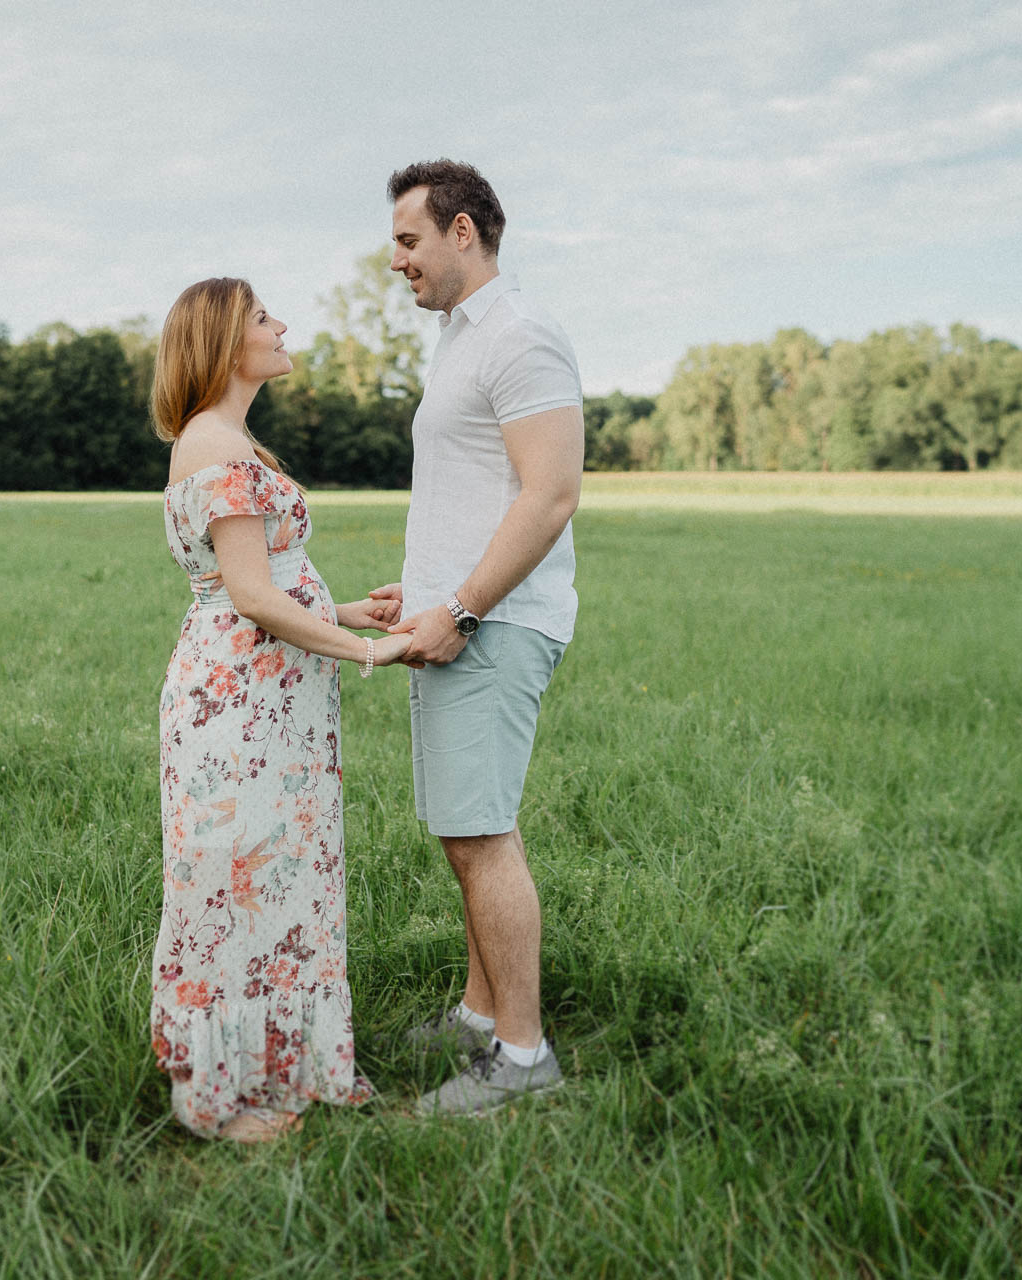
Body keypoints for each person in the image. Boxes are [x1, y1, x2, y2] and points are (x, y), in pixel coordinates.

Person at [150, 277, 413, 1143]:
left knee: (277, 881)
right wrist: (375, 652)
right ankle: (214, 1100)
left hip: (273, 705)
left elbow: (260, 585)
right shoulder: (215, 445)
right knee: (231, 883)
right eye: (265, 316)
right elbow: (253, 599)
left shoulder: (231, 436)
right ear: (226, 342)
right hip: (239, 708)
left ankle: (282, 1066)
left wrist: (346, 615)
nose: (282, 325)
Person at [368, 160, 585, 1116]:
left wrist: (458, 610)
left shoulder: (522, 333)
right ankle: (478, 1013)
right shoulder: (460, 341)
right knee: (468, 833)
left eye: (409, 240)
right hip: (456, 615)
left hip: (492, 626)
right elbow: (475, 490)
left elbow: (550, 495)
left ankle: (523, 1059)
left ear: (464, 233)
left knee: (482, 837)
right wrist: (421, 593)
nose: (396, 260)